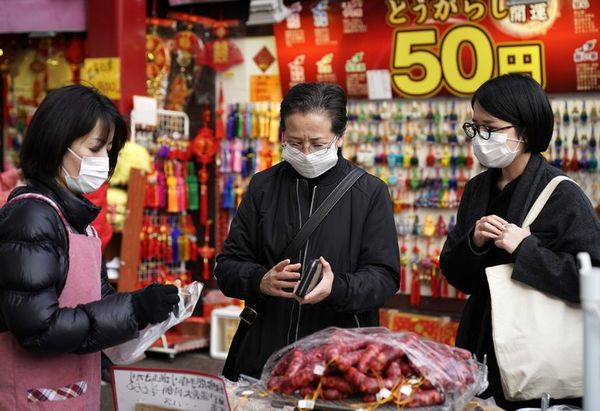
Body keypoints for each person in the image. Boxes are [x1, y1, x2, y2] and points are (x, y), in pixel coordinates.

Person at [0, 85, 180, 410]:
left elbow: (97, 302)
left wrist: (150, 311)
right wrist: (132, 309)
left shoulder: (78, 219)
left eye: (109, 149)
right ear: (57, 144)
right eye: (96, 148)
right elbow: (38, 327)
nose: (104, 160)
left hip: (73, 392)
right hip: (31, 397)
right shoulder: (31, 217)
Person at [215, 82, 400, 380]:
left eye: (317, 144)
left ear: (340, 137)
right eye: (294, 142)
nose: (305, 153)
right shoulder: (263, 186)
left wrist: (336, 287)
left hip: (338, 363)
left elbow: (385, 277)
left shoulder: (369, 192)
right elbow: (227, 266)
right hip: (263, 355)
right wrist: (259, 280)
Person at [440, 74, 600, 410]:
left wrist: (526, 250)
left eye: (492, 128)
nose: (481, 138)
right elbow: (455, 272)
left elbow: (591, 281)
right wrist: (475, 242)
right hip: (480, 347)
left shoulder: (562, 196)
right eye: (475, 127)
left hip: (539, 357)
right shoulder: (477, 189)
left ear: (525, 132)